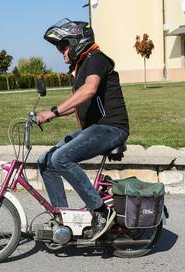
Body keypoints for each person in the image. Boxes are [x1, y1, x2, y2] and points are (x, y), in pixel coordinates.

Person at [37, 19, 129, 239]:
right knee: (46, 161)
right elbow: (80, 101)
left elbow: (89, 90)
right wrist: (47, 115)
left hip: (111, 127)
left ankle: (100, 212)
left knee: (61, 158)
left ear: (78, 41)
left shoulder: (97, 59)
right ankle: (64, 219)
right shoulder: (80, 67)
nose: (62, 52)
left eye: (63, 45)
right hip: (95, 128)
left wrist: (53, 112)